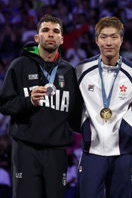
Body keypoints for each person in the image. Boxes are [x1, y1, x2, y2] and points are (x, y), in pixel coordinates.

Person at [0, 14, 83, 198]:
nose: (51, 35)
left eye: (56, 31)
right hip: (26, 149)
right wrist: (28, 101)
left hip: (57, 152)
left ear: (62, 39)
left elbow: (76, 115)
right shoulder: (19, 65)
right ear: (37, 38)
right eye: (45, 30)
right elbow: (5, 105)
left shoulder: (69, 72)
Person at [75, 16, 132, 198]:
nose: (109, 42)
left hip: (124, 154)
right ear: (96, 40)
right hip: (92, 152)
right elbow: (73, 109)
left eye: (114, 37)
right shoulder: (81, 71)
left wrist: (127, 134)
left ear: (122, 40)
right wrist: (85, 131)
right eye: (104, 37)